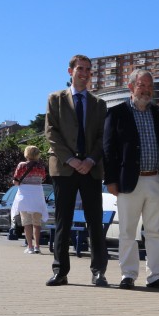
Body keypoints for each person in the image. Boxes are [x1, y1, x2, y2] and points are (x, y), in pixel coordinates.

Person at [44, 54, 109, 287]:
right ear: (70, 71)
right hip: (64, 168)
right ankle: (60, 271)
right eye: (80, 68)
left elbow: (104, 136)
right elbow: (51, 133)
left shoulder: (99, 104)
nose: (84, 73)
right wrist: (71, 159)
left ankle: (99, 271)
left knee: (95, 221)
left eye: (88, 69)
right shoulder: (55, 99)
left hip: (91, 169)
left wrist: (90, 160)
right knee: (64, 220)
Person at [104, 70, 159, 290]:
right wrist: (111, 180)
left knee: (155, 232)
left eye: (150, 86)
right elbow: (108, 149)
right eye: (141, 85)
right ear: (131, 87)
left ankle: (155, 276)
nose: (146, 90)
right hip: (128, 182)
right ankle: (128, 274)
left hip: (156, 180)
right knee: (127, 231)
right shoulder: (116, 113)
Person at [12, 145, 49, 254]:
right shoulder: (41, 167)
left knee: (27, 223)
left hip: (25, 195)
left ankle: (30, 247)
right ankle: (37, 246)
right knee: (37, 223)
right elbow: (43, 178)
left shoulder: (21, 165)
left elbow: (15, 181)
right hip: (37, 195)